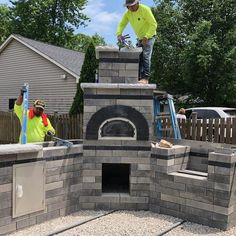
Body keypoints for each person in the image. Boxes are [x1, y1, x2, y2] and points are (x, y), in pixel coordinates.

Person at [116, 0, 157, 84]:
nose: (130, 8)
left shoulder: (145, 9)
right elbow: (121, 24)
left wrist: (147, 36)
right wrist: (119, 34)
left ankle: (145, 78)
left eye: (132, 6)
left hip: (149, 36)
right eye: (128, 6)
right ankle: (137, 78)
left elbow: (153, 24)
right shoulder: (128, 13)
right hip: (140, 38)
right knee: (138, 57)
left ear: (137, 3)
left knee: (145, 56)